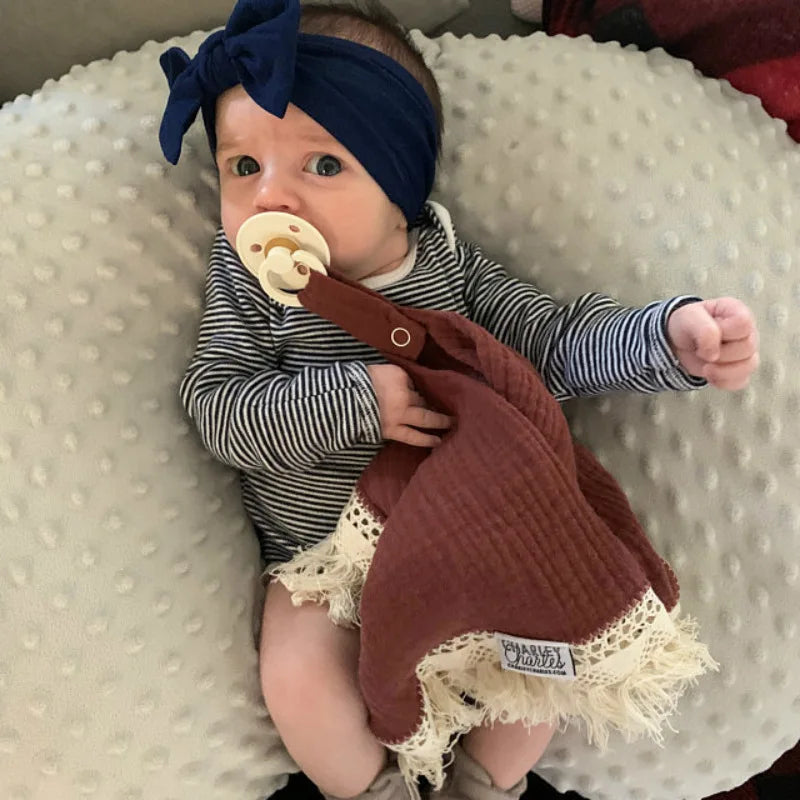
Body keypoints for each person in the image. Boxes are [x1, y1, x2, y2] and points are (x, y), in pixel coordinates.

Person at [158, 1, 760, 799]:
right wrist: (350, 402)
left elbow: (550, 347)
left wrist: (664, 340)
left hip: (471, 551)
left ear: (399, 180)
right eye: (243, 167)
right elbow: (219, 411)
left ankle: (484, 783)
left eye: (322, 165)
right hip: (324, 565)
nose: (272, 197)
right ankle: (373, 790)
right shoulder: (248, 284)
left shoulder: (450, 270)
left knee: (545, 664)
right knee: (297, 675)